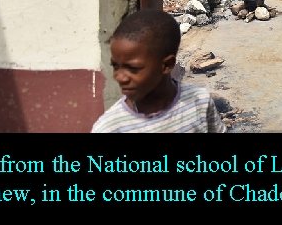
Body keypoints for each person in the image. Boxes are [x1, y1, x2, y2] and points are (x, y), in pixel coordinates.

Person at [92, 8, 227, 133]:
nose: (120, 77)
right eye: (116, 66)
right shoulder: (109, 128)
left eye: (133, 68)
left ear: (167, 65)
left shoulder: (200, 102)